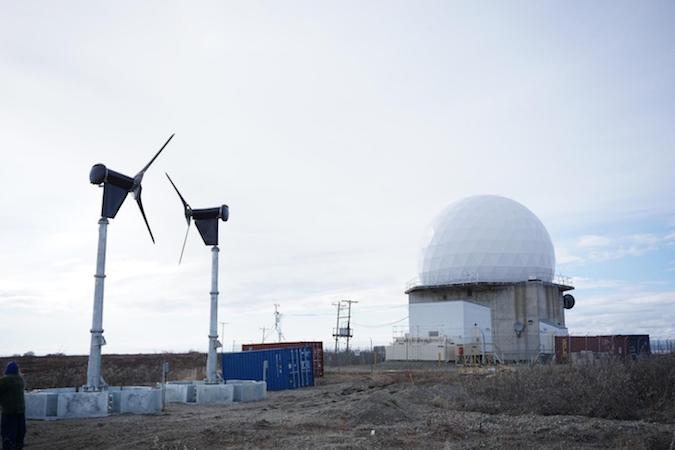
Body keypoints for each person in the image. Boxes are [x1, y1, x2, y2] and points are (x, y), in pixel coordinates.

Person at [0, 362, 25, 450]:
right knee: (19, 435)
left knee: (8, 435)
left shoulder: (5, 380)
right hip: (20, 413)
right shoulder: (20, 379)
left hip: (9, 413)